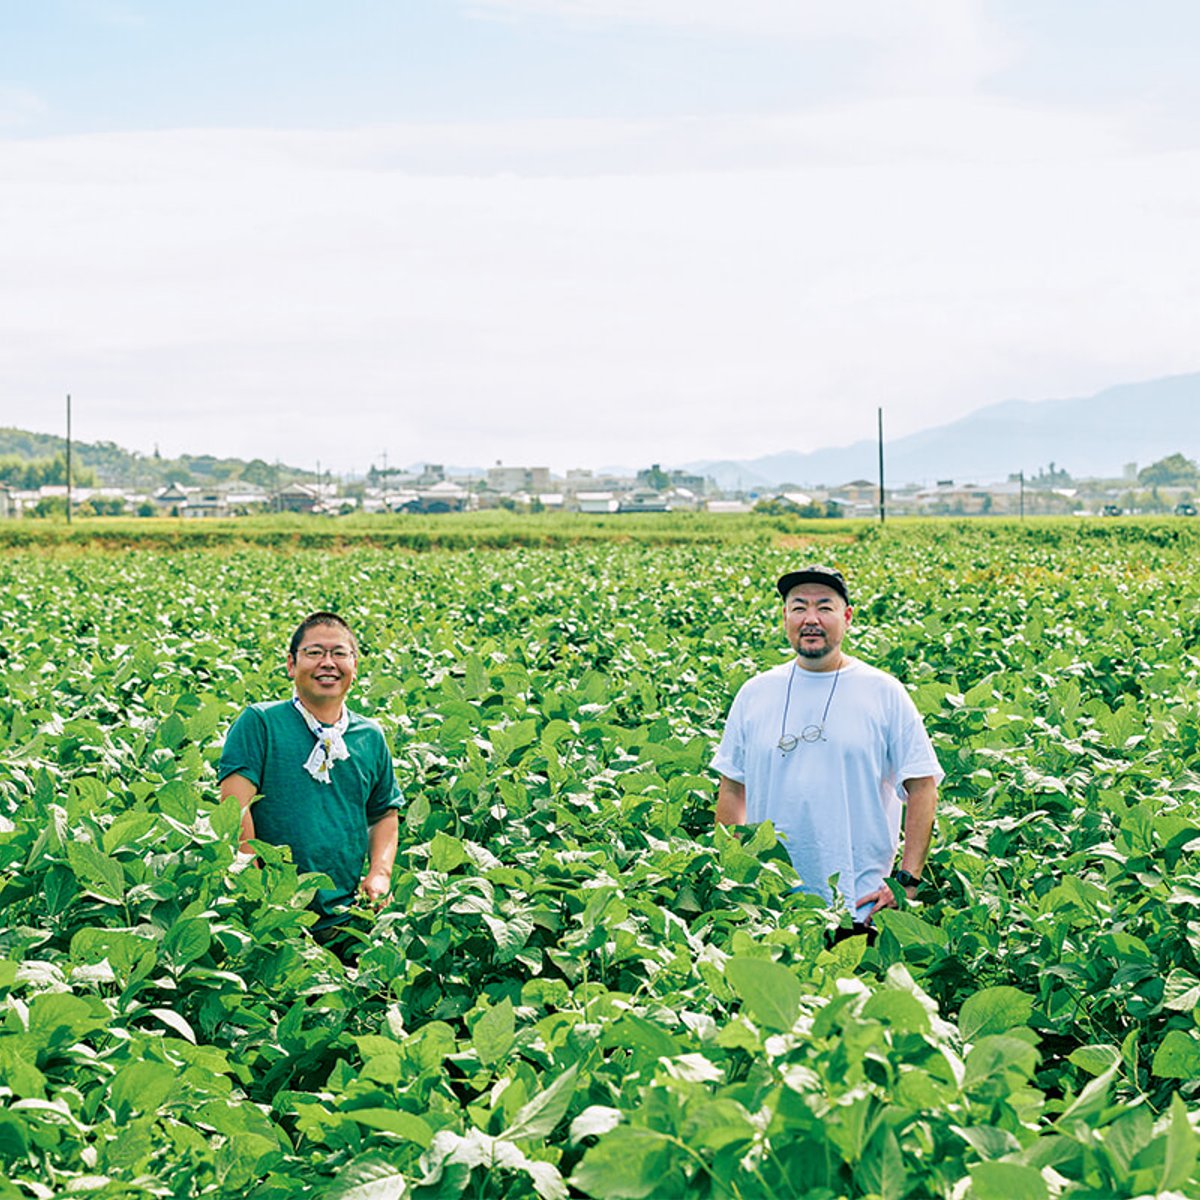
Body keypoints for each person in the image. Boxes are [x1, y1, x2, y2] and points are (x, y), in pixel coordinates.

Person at [713, 566, 941, 933]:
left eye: (825, 607)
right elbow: (732, 789)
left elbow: (923, 786)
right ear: (785, 616)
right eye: (799, 607)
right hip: (771, 910)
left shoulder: (883, 692)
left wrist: (907, 880)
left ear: (847, 617)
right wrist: (734, 877)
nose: (811, 619)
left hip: (861, 908)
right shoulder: (755, 693)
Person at [219, 611, 402, 946]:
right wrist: (259, 897)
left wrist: (380, 874)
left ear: (355, 666)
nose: (327, 663)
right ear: (291, 665)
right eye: (315, 653)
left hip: (348, 920)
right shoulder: (260, 723)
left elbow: (383, 814)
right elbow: (234, 811)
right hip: (270, 920)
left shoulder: (369, 736)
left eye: (339, 653)